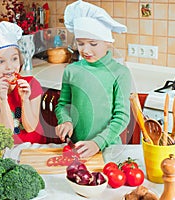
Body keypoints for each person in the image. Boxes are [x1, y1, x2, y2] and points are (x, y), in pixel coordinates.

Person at [55, 0, 132, 158]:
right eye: (81, 43)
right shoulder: (71, 70)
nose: (86, 50)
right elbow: (63, 105)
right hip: (77, 149)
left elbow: (122, 116)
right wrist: (65, 120)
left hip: (109, 150)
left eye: (93, 44)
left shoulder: (120, 73)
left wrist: (98, 142)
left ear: (108, 43)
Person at [0, 21, 46, 144]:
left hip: (35, 149)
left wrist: (25, 99)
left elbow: (30, 127)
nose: (9, 67)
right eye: (0, 61)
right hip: (7, 151)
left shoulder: (31, 84)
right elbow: (7, 132)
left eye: (14, 59)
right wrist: (3, 99)